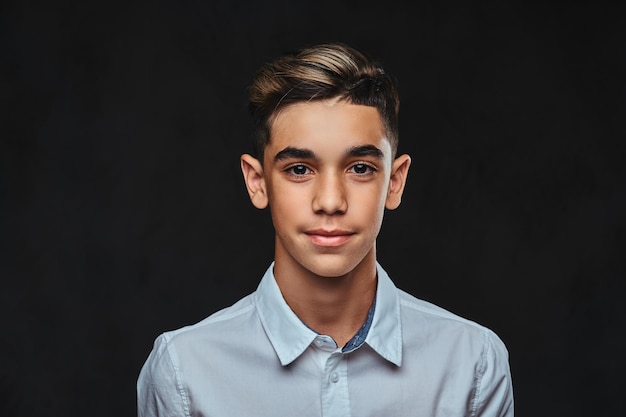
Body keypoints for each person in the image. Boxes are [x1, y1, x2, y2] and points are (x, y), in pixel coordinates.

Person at [136, 42, 514, 417]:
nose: (330, 201)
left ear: (395, 182)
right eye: (299, 169)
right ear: (257, 182)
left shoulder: (472, 363)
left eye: (360, 168)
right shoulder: (184, 371)